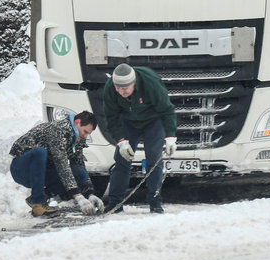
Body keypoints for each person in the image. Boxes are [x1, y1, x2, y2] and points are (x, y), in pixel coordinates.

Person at [102, 63, 177, 214]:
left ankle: (154, 201)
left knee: (154, 159)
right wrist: (122, 142)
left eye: (125, 89)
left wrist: (170, 137)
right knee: (122, 160)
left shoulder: (150, 83)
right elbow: (111, 117)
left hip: (153, 121)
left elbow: (167, 110)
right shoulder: (110, 88)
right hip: (128, 122)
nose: (121, 92)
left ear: (134, 83)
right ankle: (116, 202)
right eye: (118, 88)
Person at [9, 111, 105, 217]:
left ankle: (39, 197)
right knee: (40, 152)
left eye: (88, 134)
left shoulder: (78, 138)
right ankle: (38, 203)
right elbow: (61, 163)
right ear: (77, 122)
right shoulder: (58, 129)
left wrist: (89, 193)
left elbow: (78, 164)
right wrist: (78, 196)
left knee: (72, 172)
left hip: (41, 171)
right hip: (21, 169)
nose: (85, 136)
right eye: (85, 131)